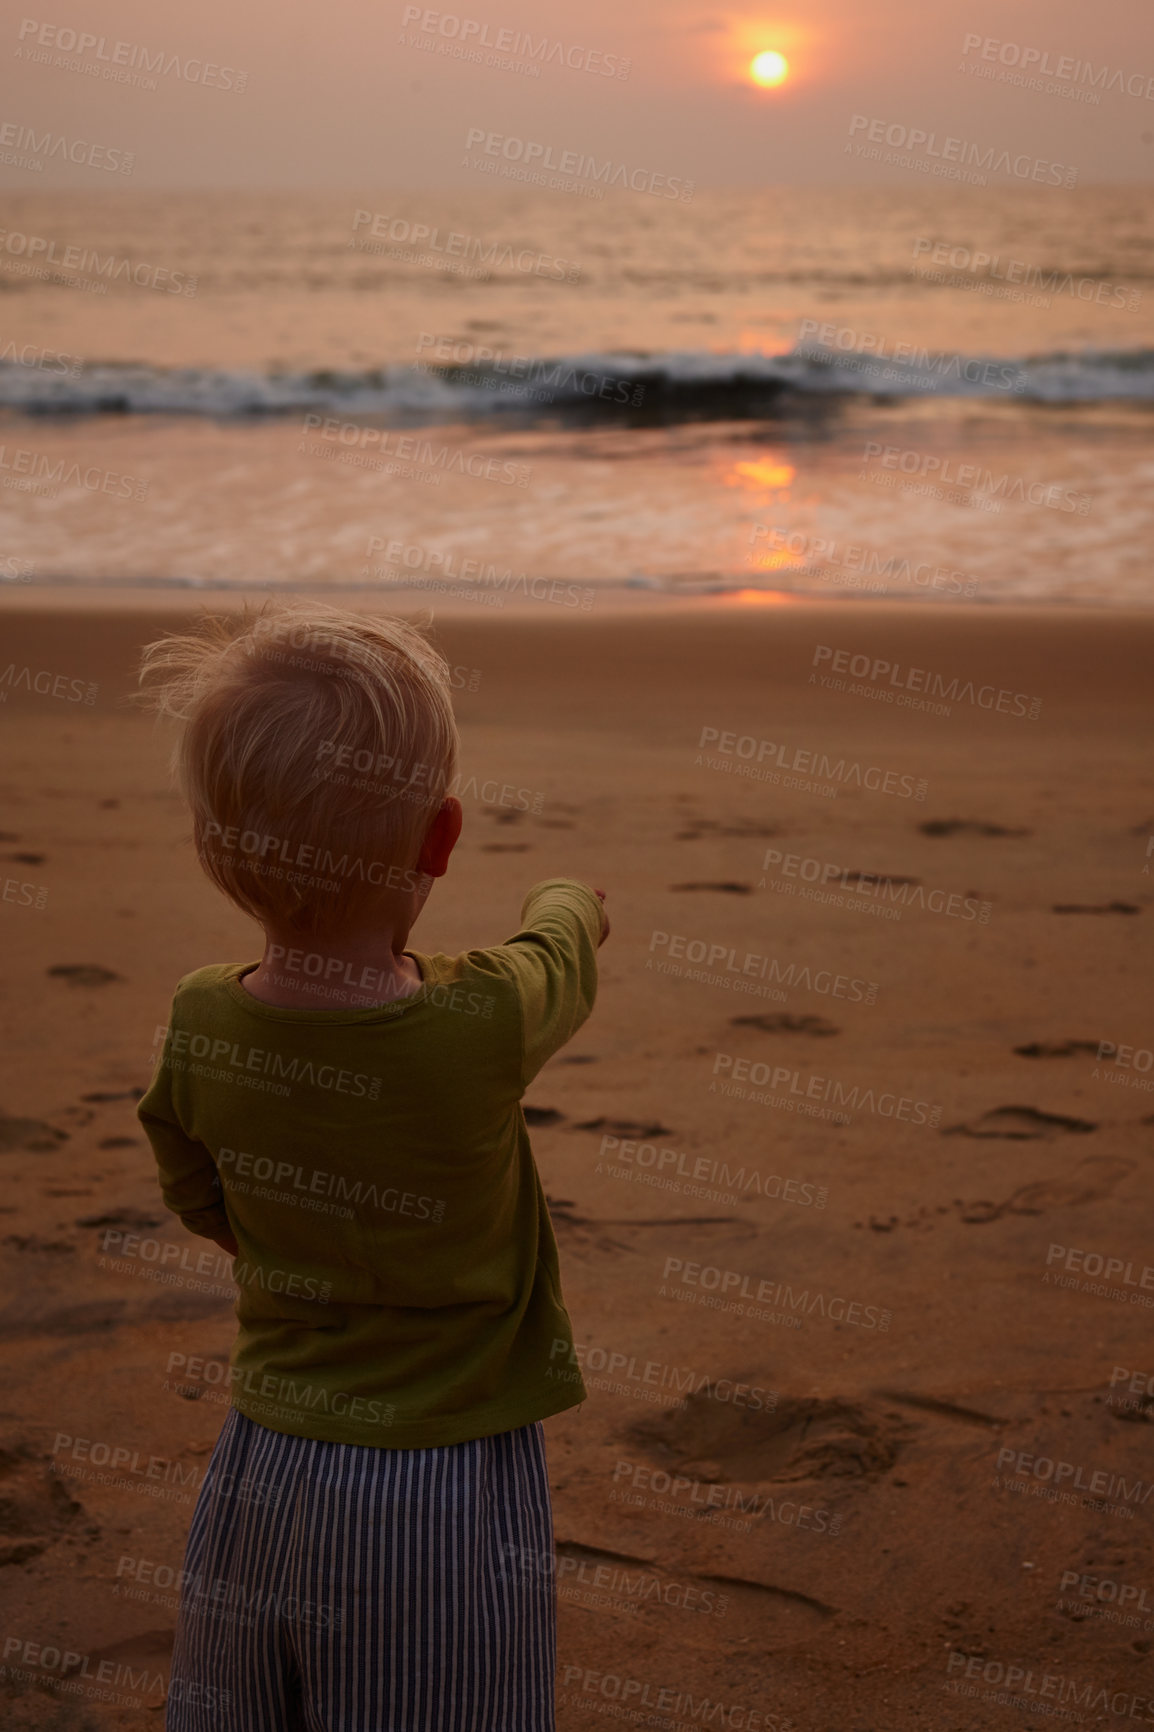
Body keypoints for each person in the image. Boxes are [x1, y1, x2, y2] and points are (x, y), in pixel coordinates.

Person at [135, 600, 608, 1731]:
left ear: (214, 855)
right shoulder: (479, 1020)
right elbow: (559, 961)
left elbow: (190, 1179)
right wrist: (571, 901)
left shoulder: (202, 1016)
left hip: (259, 1465)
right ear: (440, 839)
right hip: (438, 1491)